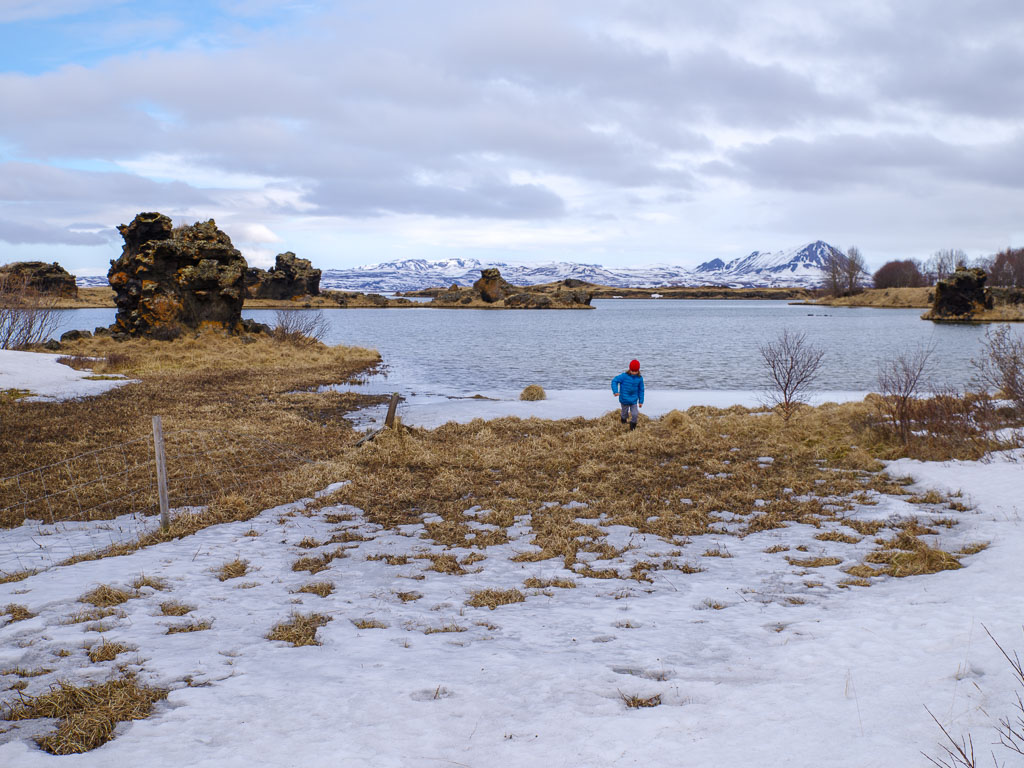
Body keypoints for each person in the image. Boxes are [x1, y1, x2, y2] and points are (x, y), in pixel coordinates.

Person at [611, 359, 644, 430]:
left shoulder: (639, 378)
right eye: (632, 371)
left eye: (636, 371)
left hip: (633, 400)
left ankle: (632, 427)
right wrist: (615, 391)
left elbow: (641, 390)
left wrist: (641, 401)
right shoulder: (624, 376)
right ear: (629, 369)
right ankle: (623, 422)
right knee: (624, 414)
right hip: (624, 399)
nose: (634, 373)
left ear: (638, 370)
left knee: (635, 414)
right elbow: (614, 381)